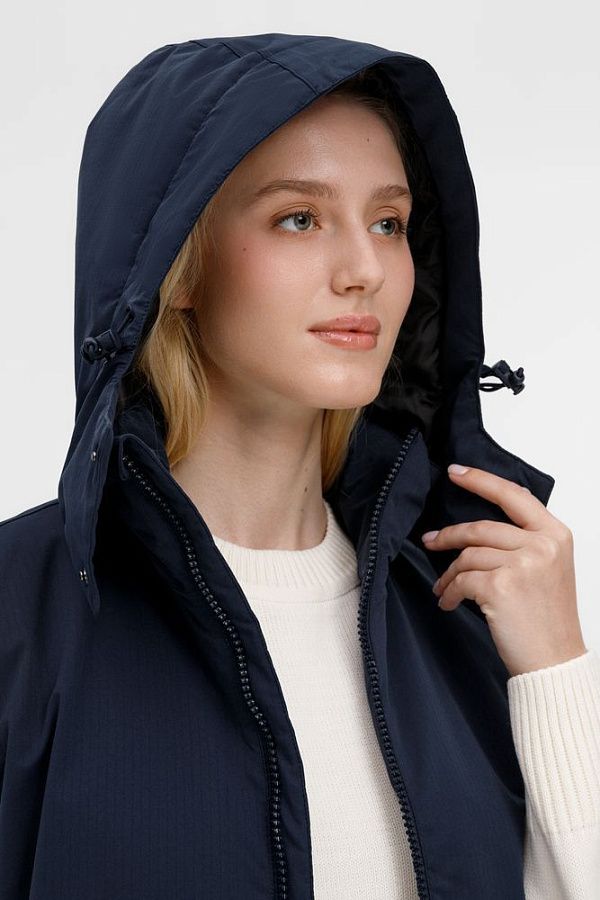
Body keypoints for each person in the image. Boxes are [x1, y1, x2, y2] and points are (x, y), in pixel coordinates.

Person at [0, 33, 598, 900]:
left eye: (389, 224)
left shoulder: (458, 606)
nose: (364, 271)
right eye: (299, 219)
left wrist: (556, 671)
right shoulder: (24, 609)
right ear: (177, 266)